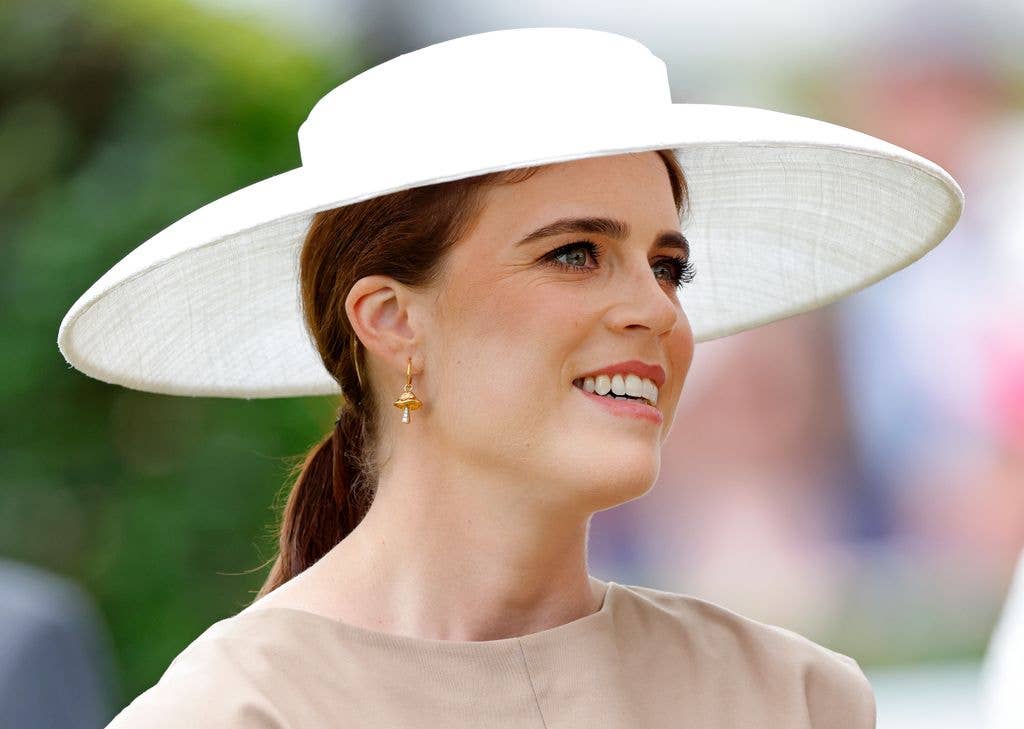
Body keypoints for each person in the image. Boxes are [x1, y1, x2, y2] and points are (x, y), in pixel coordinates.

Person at [57, 27, 963, 728]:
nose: (656, 308)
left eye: (667, 265)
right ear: (392, 320)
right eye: (576, 253)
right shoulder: (236, 712)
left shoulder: (790, 696)